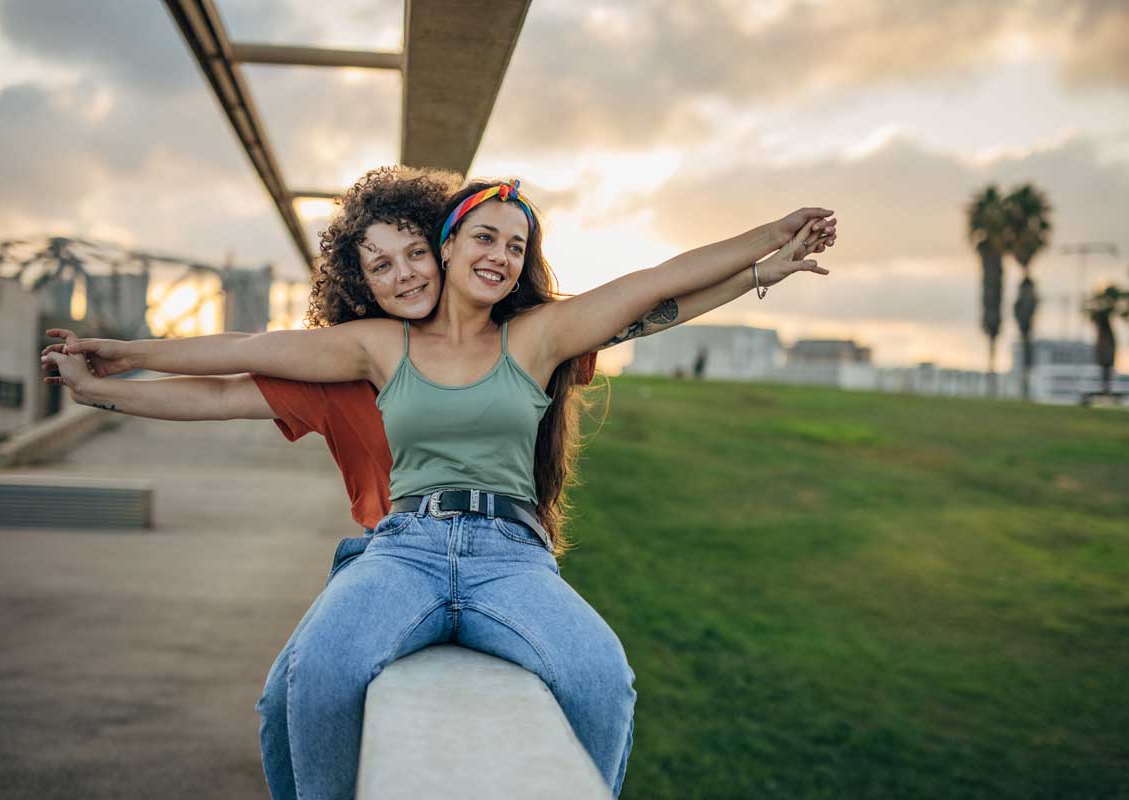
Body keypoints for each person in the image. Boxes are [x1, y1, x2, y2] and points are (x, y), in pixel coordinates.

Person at [46, 176, 835, 798]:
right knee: (315, 677)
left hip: (511, 558)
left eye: (515, 245)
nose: (498, 254)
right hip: (406, 549)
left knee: (603, 679)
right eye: (484, 236)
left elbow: (657, 287)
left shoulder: (536, 337)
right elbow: (245, 355)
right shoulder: (376, 348)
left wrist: (772, 244)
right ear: (453, 245)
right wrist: (117, 361)